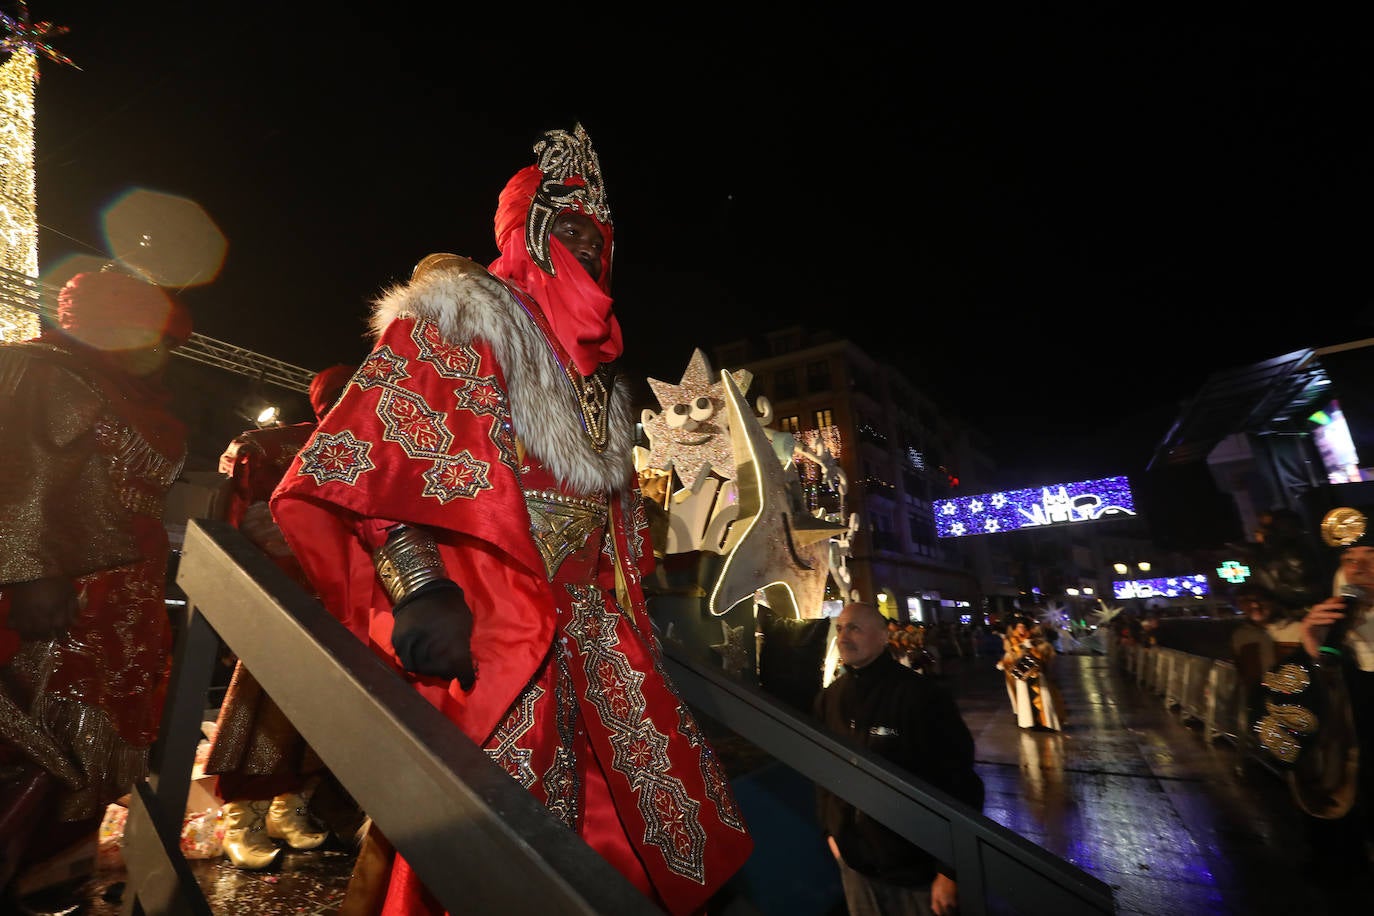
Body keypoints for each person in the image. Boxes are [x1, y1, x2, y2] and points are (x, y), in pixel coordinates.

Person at [270, 124, 753, 915]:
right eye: (565, 228)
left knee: (641, 823)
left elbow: (612, 520)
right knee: (482, 840)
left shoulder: (602, 378)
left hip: (596, 634)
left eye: (599, 238)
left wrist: (632, 599)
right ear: (525, 234)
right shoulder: (463, 320)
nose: (587, 249)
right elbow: (384, 459)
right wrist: (421, 587)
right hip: (492, 617)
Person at [0, 269, 192, 898]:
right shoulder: (42, 371)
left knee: (103, 744)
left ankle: (57, 885)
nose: (161, 351)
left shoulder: (137, 395)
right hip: (62, 596)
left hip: (131, 596)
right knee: (39, 739)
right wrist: (30, 571)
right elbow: (17, 468)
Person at [204, 363, 355, 869]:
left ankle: (290, 809)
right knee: (260, 704)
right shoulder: (268, 447)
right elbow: (230, 524)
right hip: (279, 595)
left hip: (346, 603)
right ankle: (240, 814)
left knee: (329, 710)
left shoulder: (379, 451)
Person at [814, 602, 985, 916]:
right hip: (857, 868)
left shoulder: (922, 697)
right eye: (839, 628)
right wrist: (830, 830)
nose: (843, 636)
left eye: (854, 628)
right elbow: (824, 770)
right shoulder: (831, 699)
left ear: (882, 637)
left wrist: (950, 871)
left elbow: (960, 783)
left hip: (916, 873)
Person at [1264, 505, 1374, 887]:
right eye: (1349, 559)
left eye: (1371, 557)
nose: (1358, 568)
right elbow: (1283, 724)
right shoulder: (1332, 633)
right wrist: (1310, 648)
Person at [996, 615, 1065, 731]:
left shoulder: (1035, 639)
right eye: (1018, 627)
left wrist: (1032, 648)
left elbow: (1046, 653)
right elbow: (1010, 656)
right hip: (1022, 675)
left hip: (1036, 673)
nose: (1021, 629)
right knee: (1025, 699)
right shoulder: (1012, 641)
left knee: (1042, 698)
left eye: (1023, 627)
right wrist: (1003, 663)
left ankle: (1045, 723)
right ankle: (1030, 722)